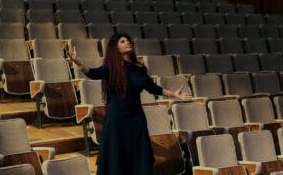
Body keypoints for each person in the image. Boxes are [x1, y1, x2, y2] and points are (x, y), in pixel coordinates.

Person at [67, 33, 191, 175]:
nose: (128, 43)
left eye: (128, 41)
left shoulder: (139, 69)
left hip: (136, 118)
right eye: (123, 41)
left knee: (139, 154)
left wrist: (174, 94)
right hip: (116, 119)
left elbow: (153, 88)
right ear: (116, 47)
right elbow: (92, 73)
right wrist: (77, 62)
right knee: (117, 156)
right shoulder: (111, 67)